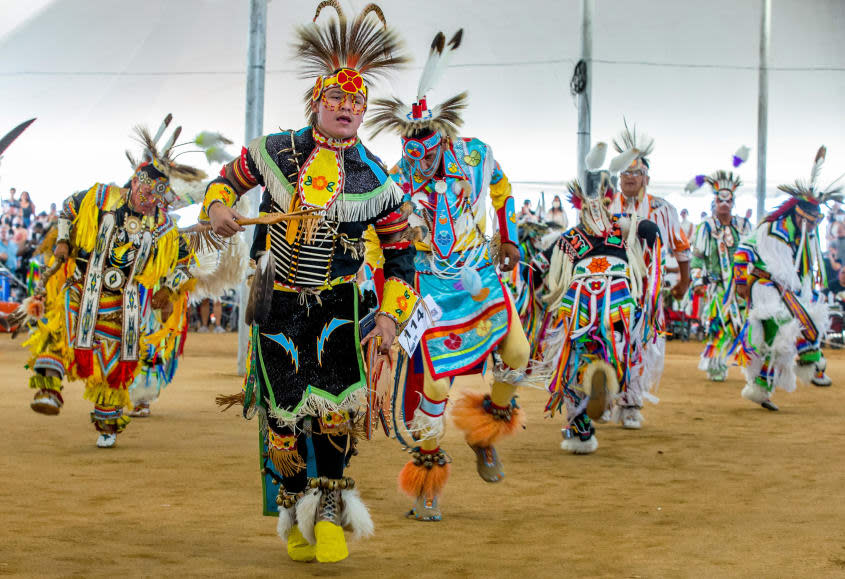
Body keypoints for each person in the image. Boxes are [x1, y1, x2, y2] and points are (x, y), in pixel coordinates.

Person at [205, 3, 415, 563]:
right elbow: (225, 180)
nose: (347, 108)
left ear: (364, 111)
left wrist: (392, 316)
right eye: (336, 99)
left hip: (339, 309)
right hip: (276, 305)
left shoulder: (375, 178)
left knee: (334, 411)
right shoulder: (276, 152)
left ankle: (329, 511)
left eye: (356, 102)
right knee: (283, 414)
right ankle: (292, 509)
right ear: (317, 102)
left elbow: (401, 255)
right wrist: (220, 206)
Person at [366, 28, 530, 521]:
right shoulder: (392, 184)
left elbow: (503, 191)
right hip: (429, 289)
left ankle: (484, 435)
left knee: (518, 353)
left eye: (426, 150)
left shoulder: (476, 157)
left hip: (477, 269)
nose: (417, 160)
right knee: (435, 389)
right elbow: (378, 244)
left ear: (442, 138)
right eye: (408, 151)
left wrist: (510, 238)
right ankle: (428, 481)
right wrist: (389, 304)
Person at [23, 118, 202, 448]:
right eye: (146, 190)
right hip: (84, 284)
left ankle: (107, 423)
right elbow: (68, 207)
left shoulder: (162, 226)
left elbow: (185, 260)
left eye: (158, 194)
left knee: (118, 361)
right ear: (135, 181)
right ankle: (49, 389)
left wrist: (168, 288)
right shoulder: (101, 197)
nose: (150, 198)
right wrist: (63, 240)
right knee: (60, 318)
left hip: (126, 303)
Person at [534, 142, 661, 453]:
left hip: (583, 298)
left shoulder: (582, 235)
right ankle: (598, 393)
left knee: (577, 357)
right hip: (615, 298)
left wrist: (526, 280)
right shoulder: (617, 228)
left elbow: (538, 267)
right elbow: (650, 230)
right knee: (609, 350)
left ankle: (582, 426)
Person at [733, 146, 838, 411]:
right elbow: (743, 250)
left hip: (789, 290)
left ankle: (762, 387)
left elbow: (803, 270)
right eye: (811, 222)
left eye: (816, 223)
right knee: (781, 328)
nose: (814, 227)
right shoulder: (770, 229)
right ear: (799, 215)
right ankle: (813, 362)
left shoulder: (806, 236)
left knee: (786, 333)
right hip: (765, 286)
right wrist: (740, 281)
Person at [606, 121, 691, 428]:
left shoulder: (663, 209)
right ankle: (603, 396)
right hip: (609, 289)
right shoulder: (604, 207)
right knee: (609, 339)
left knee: (641, 343)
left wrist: (684, 281)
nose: (629, 177)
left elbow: (682, 248)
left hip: (646, 291)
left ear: (646, 177)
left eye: (635, 172)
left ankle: (630, 403)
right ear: (618, 177)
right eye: (624, 172)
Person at [687, 159, 753, 381]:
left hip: (742, 286)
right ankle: (716, 364)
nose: (724, 203)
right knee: (719, 324)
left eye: (728, 200)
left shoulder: (744, 226)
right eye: (719, 200)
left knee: (746, 324)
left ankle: (750, 365)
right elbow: (697, 258)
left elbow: (754, 254)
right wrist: (697, 282)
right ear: (714, 202)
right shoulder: (706, 227)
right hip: (717, 288)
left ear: (733, 202)